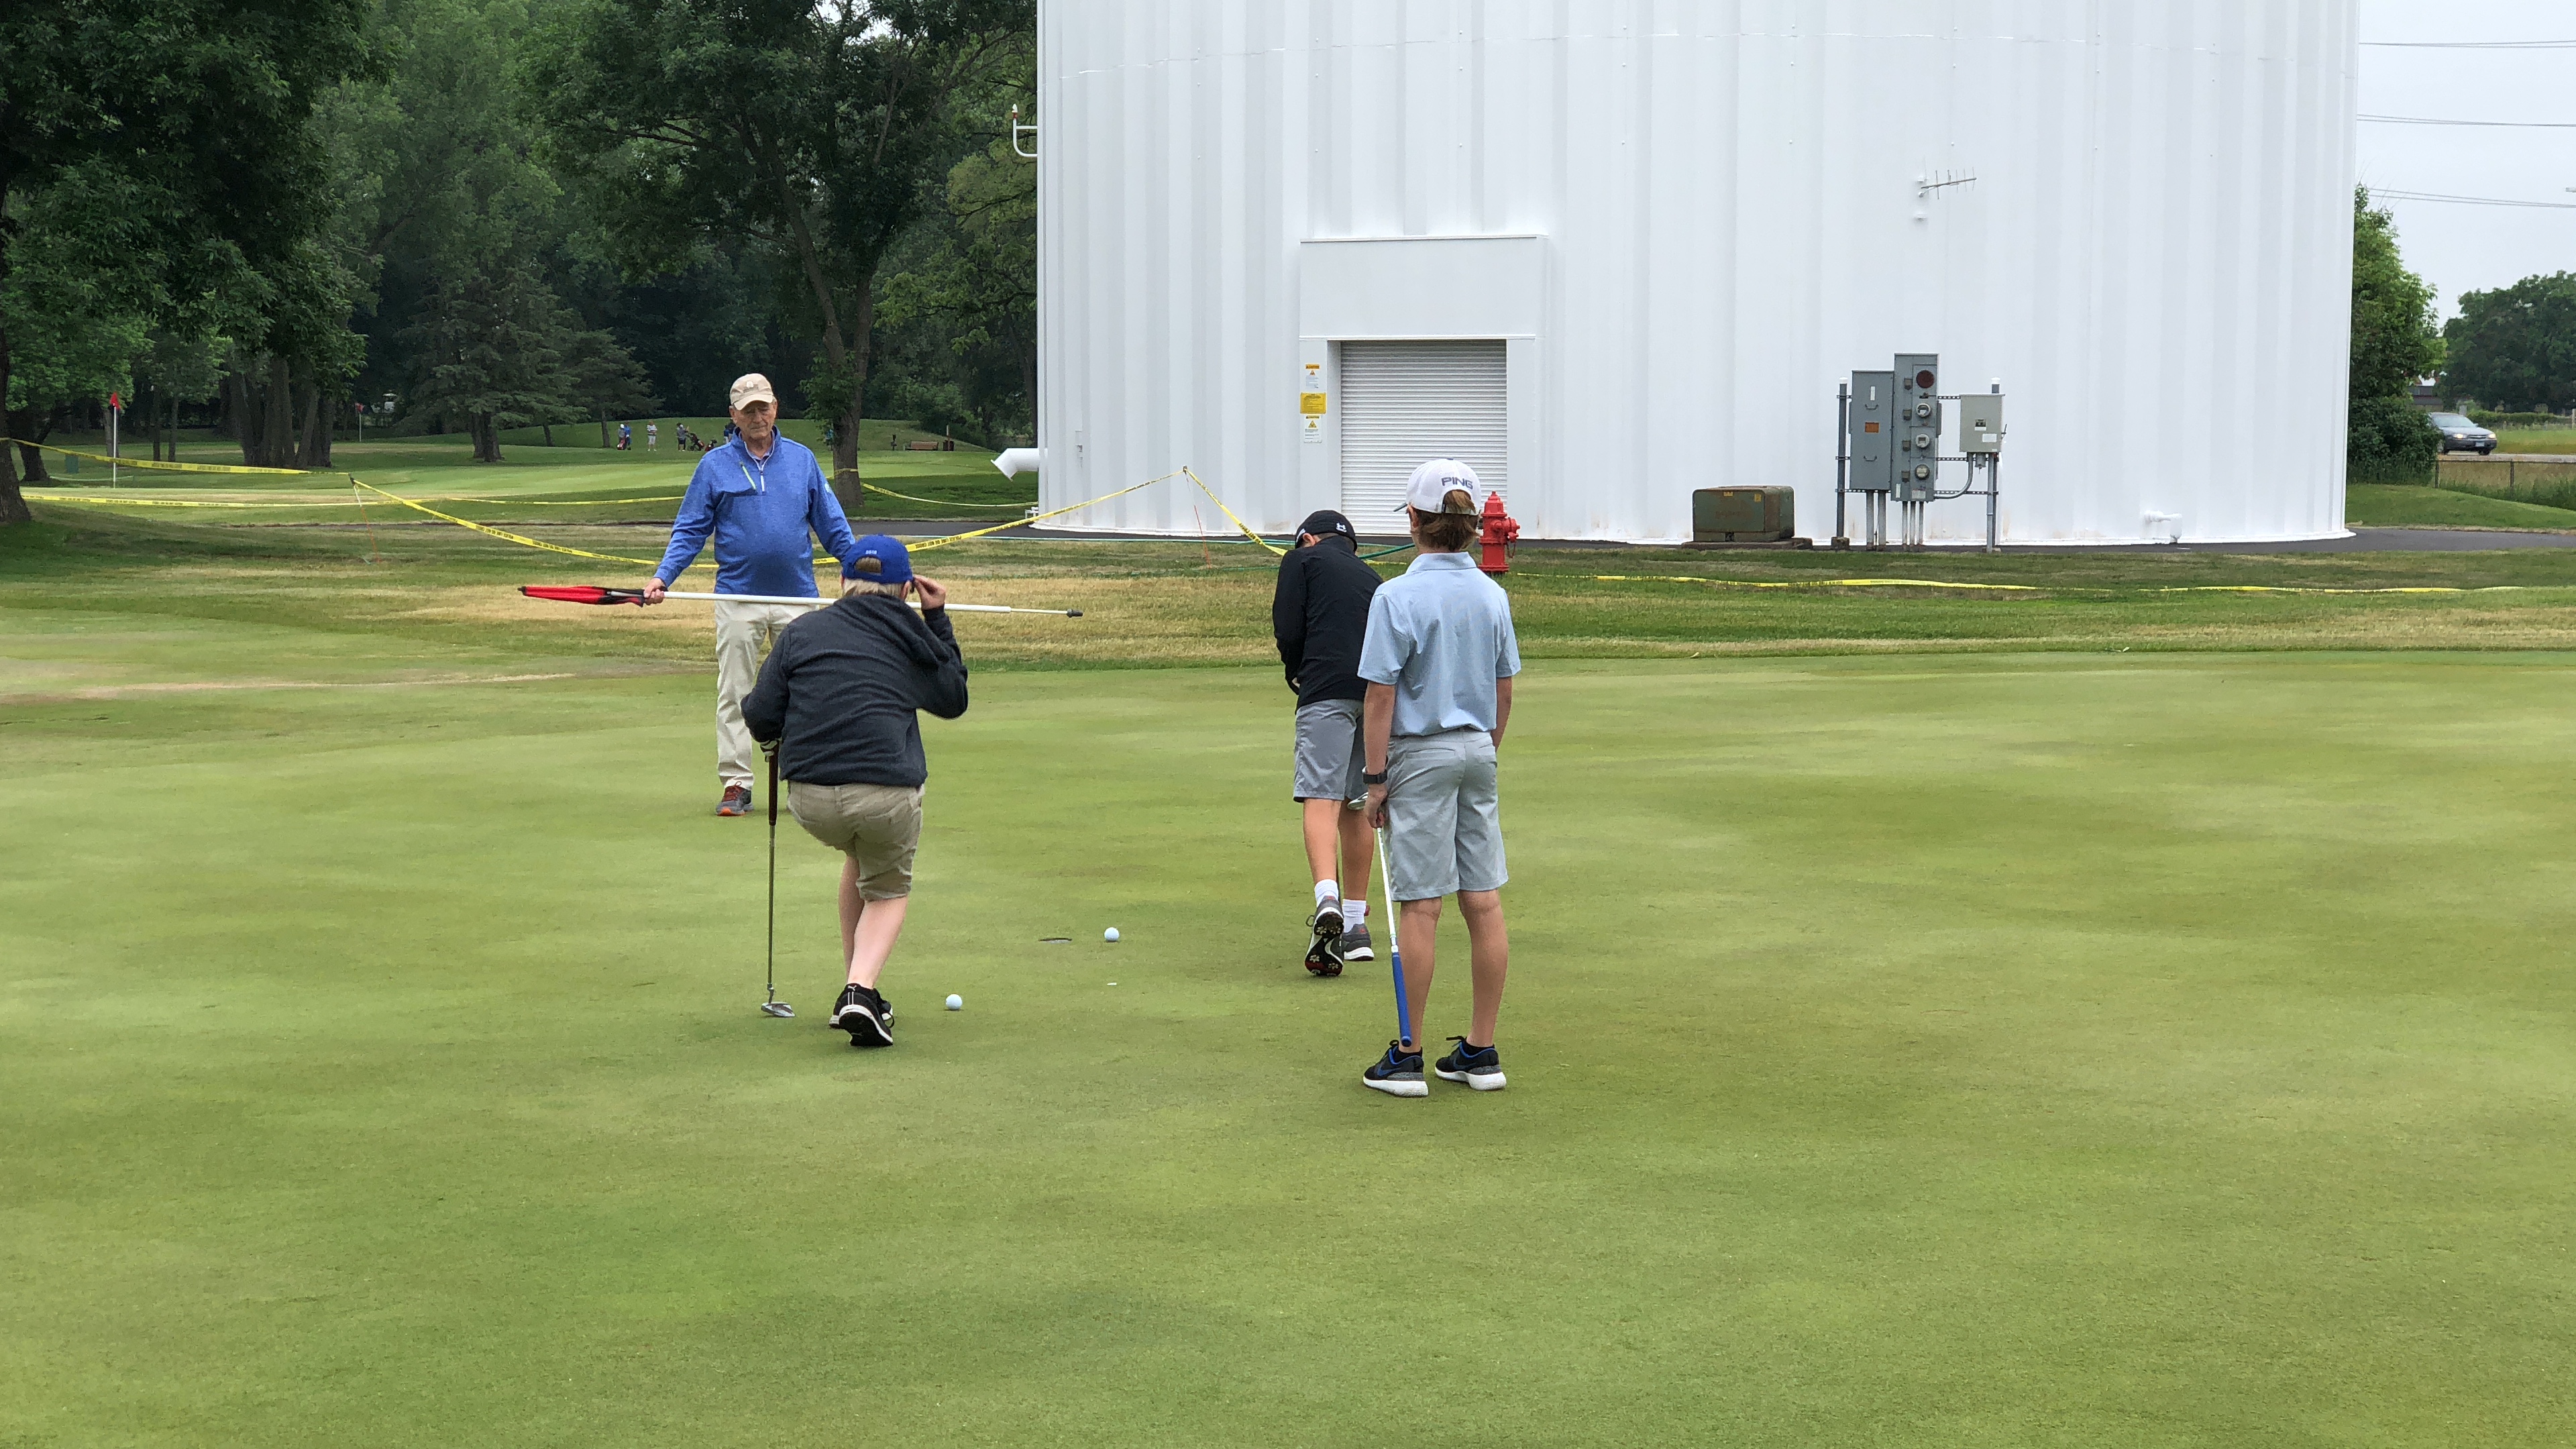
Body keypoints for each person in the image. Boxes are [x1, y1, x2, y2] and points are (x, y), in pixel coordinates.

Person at [743, 536, 967, 1046]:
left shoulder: (802, 632)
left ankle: (857, 989)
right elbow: (953, 699)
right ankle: (860, 991)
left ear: (842, 581)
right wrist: (937, 619)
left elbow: (759, 713)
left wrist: (776, 736)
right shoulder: (912, 633)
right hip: (885, 794)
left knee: (861, 857)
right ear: (907, 590)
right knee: (888, 888)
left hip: (811, 801)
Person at [1356, 459, 1522, 1097]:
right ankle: (1480, 1051)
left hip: (1420, 753)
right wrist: (1485, 748)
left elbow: (1380, 696)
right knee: (1482, 898)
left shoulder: (1395, 596)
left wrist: (1375, 780)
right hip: (1478, 749)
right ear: (1474, 525)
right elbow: (1504, 688)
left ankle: (1409, 1055)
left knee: (1422, 904)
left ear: (1415, 520)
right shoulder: (1492, 594)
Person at [643, 372, 862, 815]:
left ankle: (807, 777)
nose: (758, 417)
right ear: (734, 416)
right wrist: (664, 577)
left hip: (797, 598)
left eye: (764, 407)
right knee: (736, 692)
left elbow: (832, 524)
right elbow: (690, 530)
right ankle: (736, 783)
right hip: (738, 598)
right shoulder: (714, 466)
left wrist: (860, 569)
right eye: (748, 411)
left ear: (776, 408)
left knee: (807, 690)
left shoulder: (802, 461)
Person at [1271, 508, 1383, 974]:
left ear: (1308, 539)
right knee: (1356, 803)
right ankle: (1356, 927)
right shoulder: (1372, 577)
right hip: (1375, 697)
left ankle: (1326, 898)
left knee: (1321, 795)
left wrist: (1295, 669)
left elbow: (1288, 626)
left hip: (1326, 689)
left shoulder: (1301, 560)